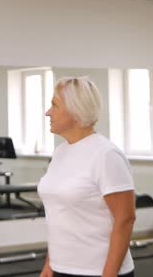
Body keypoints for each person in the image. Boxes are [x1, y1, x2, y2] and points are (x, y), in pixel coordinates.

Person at [38, 77, 136, 277]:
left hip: (98, 271)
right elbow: (60, 214)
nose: (48, 112)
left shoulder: (106, 155)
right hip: (60, 268)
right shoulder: (60, 152)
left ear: (76, 111)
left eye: (54, 105)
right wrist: (50, 262)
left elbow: (125, 219)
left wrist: (109, 274)